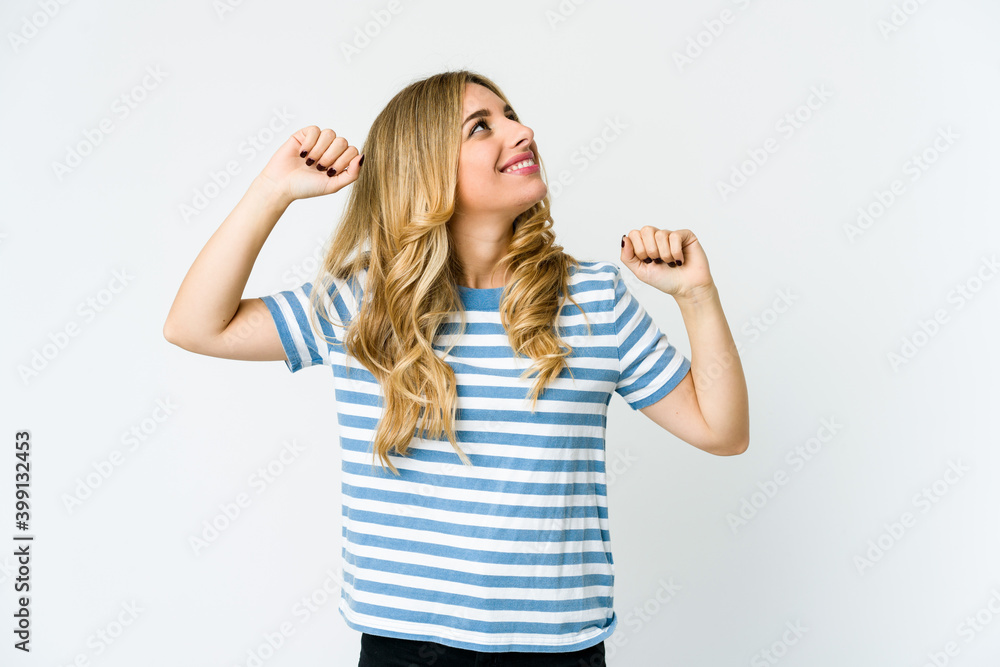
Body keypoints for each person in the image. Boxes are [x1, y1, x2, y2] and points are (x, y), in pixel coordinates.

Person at [163, 70, 749, 666]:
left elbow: (722, 433)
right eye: (481, 126)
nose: (521, 132)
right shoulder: (363, 306)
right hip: (403, 648)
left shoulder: (595, 300)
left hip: (555, 653)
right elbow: (194, 325)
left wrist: (696, 296)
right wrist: (272, 190)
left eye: (512, 115)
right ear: (426, 168)